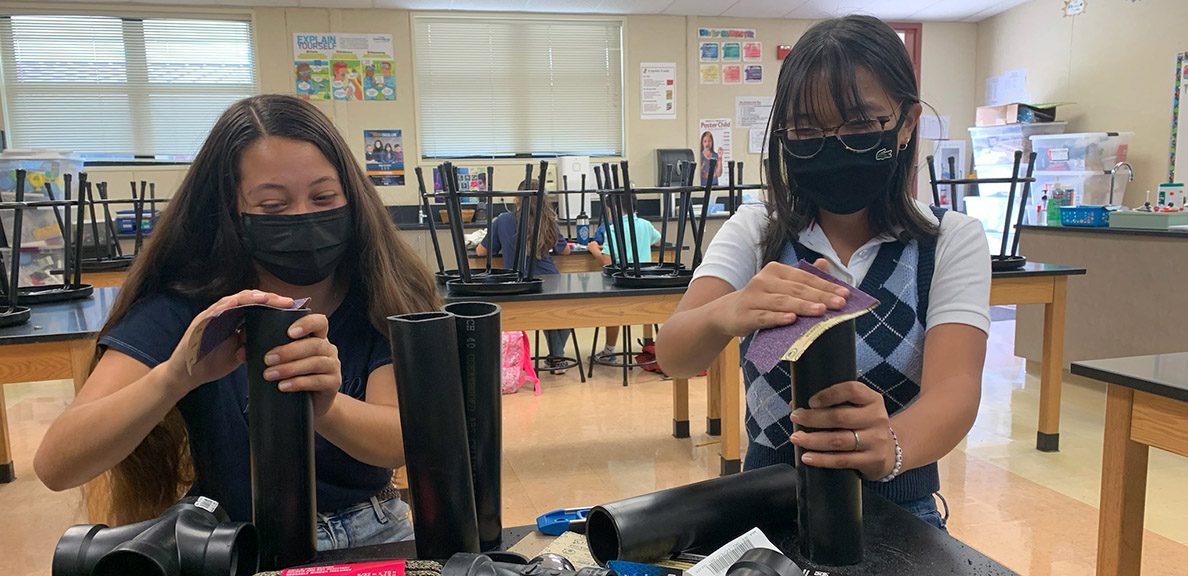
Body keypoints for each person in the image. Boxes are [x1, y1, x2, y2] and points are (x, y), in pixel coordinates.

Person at [33, 94, 439, 549]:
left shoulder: (379, 294)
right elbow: (58, 464)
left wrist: (326, 405)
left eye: (323, 196)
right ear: (230, 211)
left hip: (375, 529)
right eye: (272, 206)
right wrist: (172, 378)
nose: (303, 217)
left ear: (352, 194)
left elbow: (403, 440)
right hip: (233, 540)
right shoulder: (186, 310)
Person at [654, 15, 990, 531]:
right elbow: (674, 354)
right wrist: (730, 310)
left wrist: (891, 445)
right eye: (807, 131)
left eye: (860, 125)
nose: (834, 146)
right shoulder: (756, 231)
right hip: (768, 506)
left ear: (905, 123)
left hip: (899, 509)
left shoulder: (949, 240)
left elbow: (956, 389)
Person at [476, 179, 571, 373]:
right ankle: (557, 356)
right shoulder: (548, 221)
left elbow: (480, 252)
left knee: (547, 311)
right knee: (564, 310)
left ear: (517, 198)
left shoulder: (502, 220)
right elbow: (565, 251)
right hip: (549, 279)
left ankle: (555, 356)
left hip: (516, 283)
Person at [587, 196, 661, 361]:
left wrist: (594, 250)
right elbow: (658, 242)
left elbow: (607, 261)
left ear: (613, 209)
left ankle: (609, 351)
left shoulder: (613, 229)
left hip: (623, 287)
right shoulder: (645, 225)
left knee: (610, 306)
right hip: (645, 285)